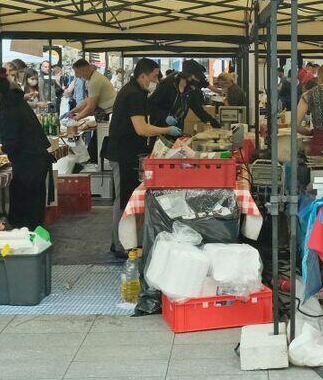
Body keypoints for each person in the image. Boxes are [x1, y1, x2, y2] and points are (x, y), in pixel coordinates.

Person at [108, 58, 179, 257]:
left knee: (130, 197)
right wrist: (167, 130)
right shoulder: (132, 94)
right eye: (154, 76)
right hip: (123, 153)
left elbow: (146, 116)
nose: (156, 80)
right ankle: (120, 245)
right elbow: (141, 128)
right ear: (142, 75)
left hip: (131, 152)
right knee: (124, 200)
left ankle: (129, 241)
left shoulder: (138, 92)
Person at [0, 70, 50, 229]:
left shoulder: (8, 109)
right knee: (32, 207)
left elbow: (9, 145)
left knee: (25, 211)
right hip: (35, 160)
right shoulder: (15, 101)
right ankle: (30, 234)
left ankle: (26, 236)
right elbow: (16, 131)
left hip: (29, 164)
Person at [149, 60, 220, 134]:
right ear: (188, 75)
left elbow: (199, 111)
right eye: (196, 78)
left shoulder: (191, 91)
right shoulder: (167, 85)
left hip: (176, 131)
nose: (197, 81)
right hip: (158, 131)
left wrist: (215, 124)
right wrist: (164, 117)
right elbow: (150, 104)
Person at [68, 58, 118, 123]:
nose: (76, 75)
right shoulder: (92, 78)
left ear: (84, 70)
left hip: (109, 113)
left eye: (77, 72)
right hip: (106, 112)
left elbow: (91, 107)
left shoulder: (95, 81)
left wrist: (76, 118)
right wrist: (73, 111)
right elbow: (88, 100)